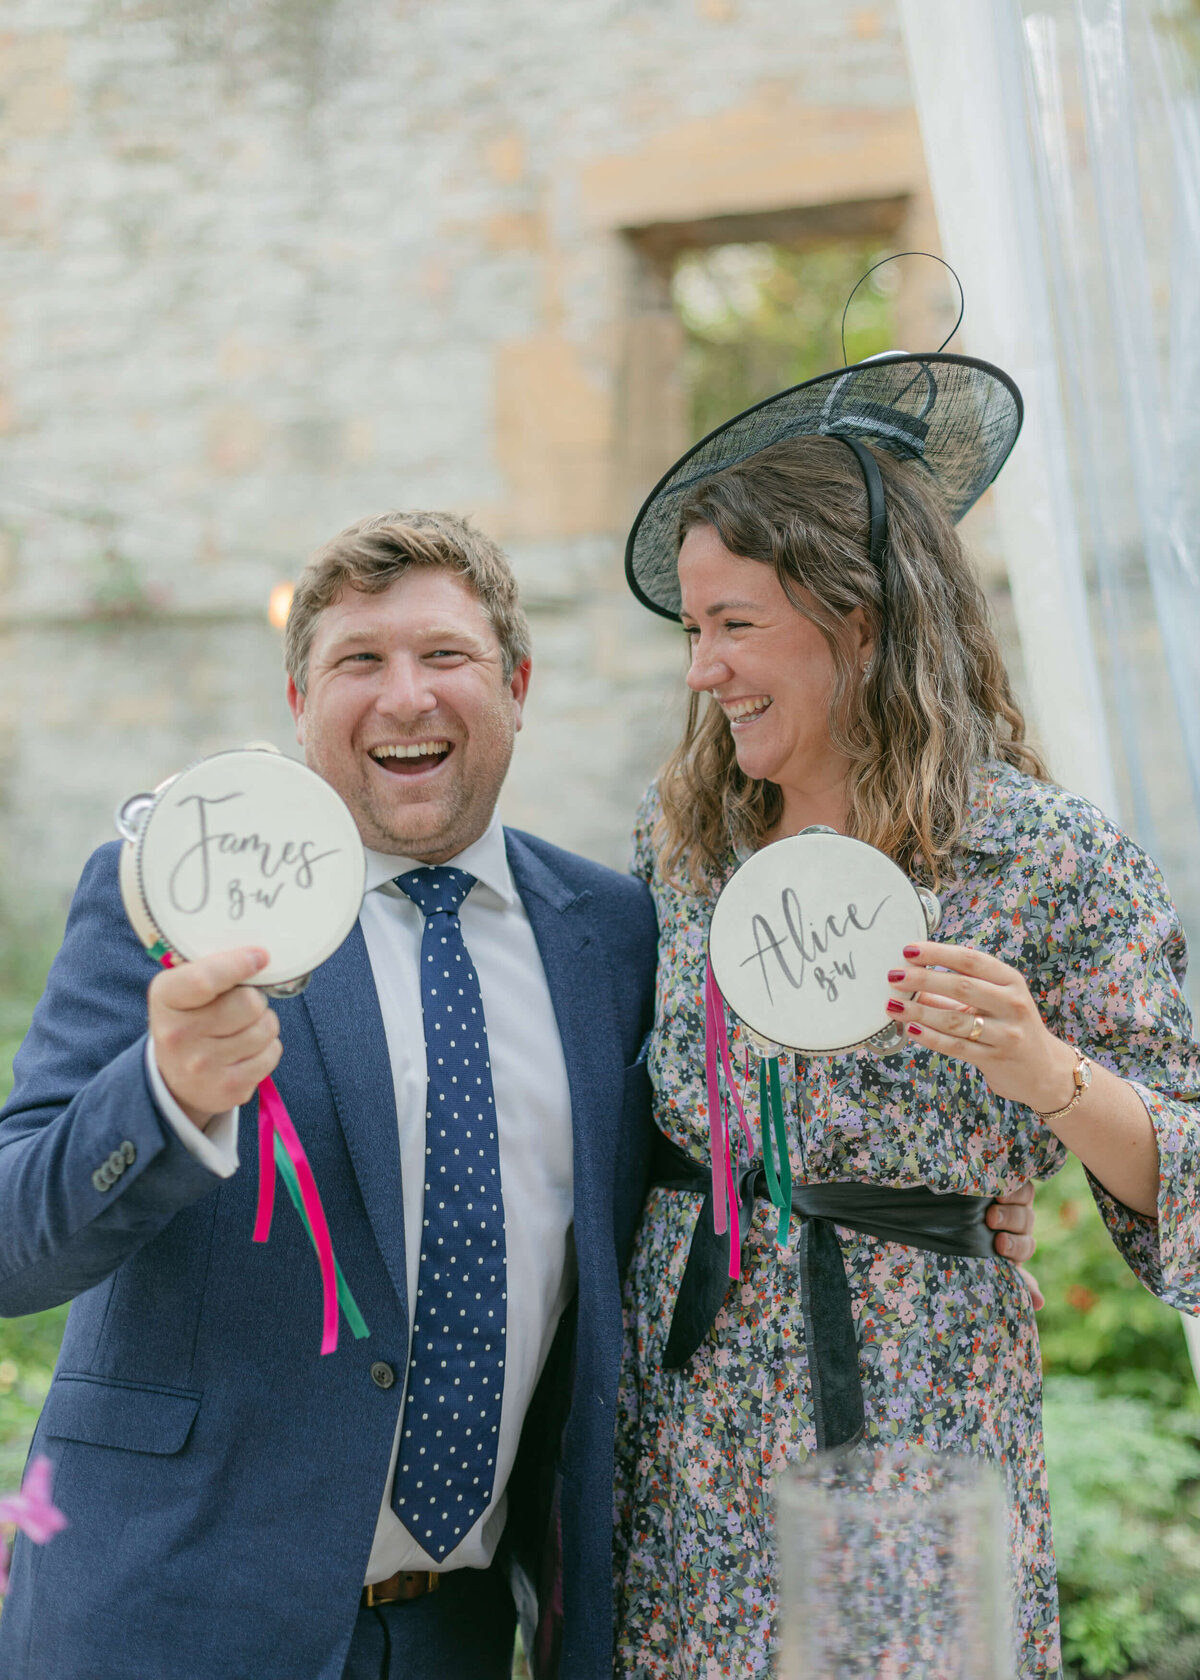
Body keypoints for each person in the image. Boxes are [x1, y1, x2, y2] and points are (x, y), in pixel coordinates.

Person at [0, 508, 1037, 1680]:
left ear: (519, 684)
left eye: (445, 656)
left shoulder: (612, 935)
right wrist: (160, 1099)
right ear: (300, 703)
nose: (405, 698)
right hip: (169, 1613)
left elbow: (705, 1171)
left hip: (462, 1630)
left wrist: (953, 1205)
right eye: (358, 661)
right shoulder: (172, 897)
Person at [612, 356, 1200, 1679]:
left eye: (736, 626)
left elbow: (1190, 1169)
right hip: (691, 1398)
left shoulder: (1043, 857)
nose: (702, 669)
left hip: (921, 1392)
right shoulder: (685, 842)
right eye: (691, 631)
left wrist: (1044, 1075)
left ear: (859, 620)